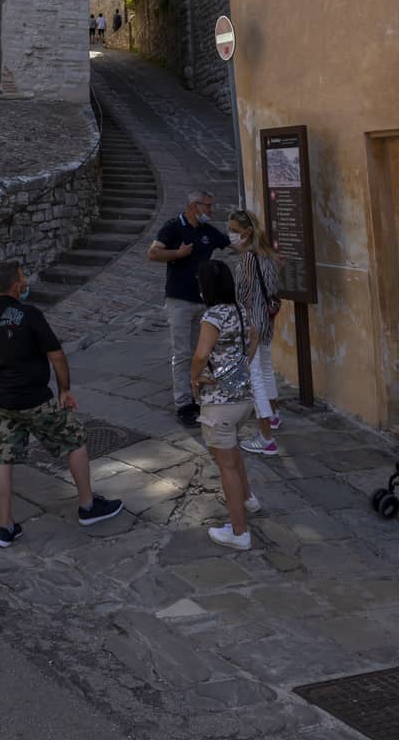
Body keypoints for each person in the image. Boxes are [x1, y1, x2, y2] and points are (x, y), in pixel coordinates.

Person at [0, 259, 124, 547]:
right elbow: (56, 354)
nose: (25, 281)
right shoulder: (29, 314)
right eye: (22, 277)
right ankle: (88, 507)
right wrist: (65, 390)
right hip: (33, 398)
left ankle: (5, 527)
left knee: (1, 458)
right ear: (17, 284)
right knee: (75, 440)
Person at [191, 259, 259, 551]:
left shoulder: (212, 316)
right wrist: (243, 365)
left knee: (226, 466)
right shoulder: (240, 311)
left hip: (219, 404)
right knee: (233, 456)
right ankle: (247, 499)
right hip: (243, 399)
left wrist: (194, 378)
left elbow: (201, 353)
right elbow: (255, 336)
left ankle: (239, 531)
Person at [148, 191, 230, 423]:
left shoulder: (207, 231)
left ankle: (199, 396)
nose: (211, 211)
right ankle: (184, 403)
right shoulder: (173, 226)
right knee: (183, 353)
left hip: (203, 301)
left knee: (201, 352)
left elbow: (231, 243)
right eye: (209, 206)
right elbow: (153, 253)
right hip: (179, 300)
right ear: (195, 206)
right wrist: (178, 253)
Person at [228, 209, 283, 455]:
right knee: (266, 369)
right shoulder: (268, 254)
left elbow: (242, 296)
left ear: (246, 232)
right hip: (267, 320)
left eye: (234, 230)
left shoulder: (249, 259)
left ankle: (266, 438)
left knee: (256, 378)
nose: (231, 235)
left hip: (253, 323)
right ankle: (273, 416)